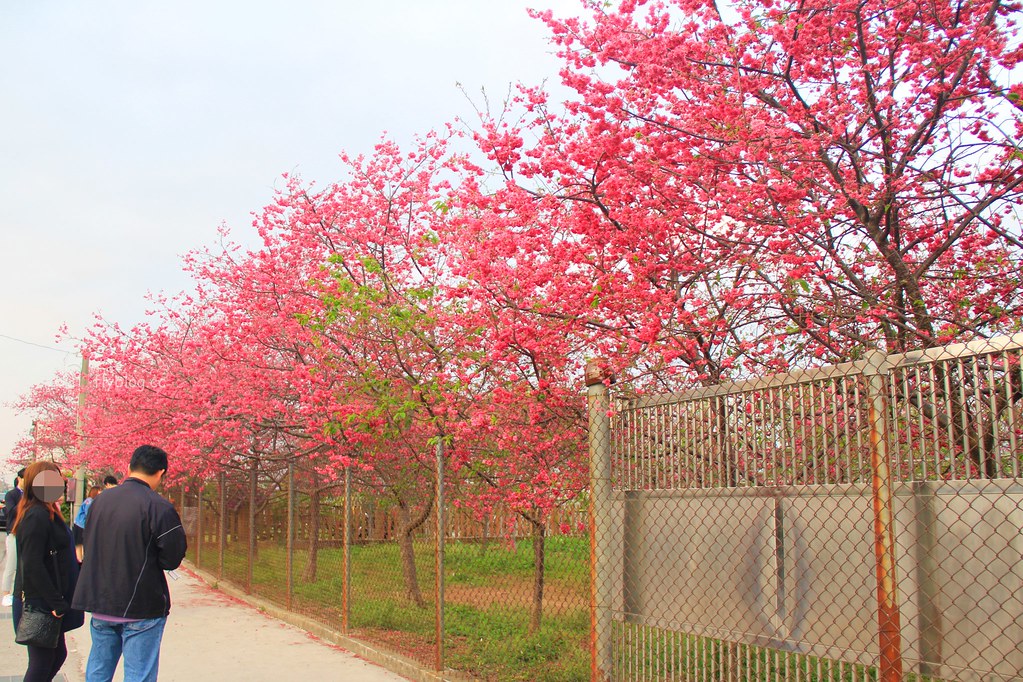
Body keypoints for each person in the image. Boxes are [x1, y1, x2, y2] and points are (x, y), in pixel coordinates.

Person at [73, 445, 187, 682]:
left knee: (98, 671)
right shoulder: (159, 506)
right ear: (160, 473)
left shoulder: (98, 503)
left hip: (101, 602)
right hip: (141, 606)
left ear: (129, 468)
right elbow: (172, 558)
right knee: (138, 675)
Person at [11, 461, 85, 682]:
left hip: (47, 600)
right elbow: (32, 564)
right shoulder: (36, 515)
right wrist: (56, 603)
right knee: (42, 662)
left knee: (56, 656)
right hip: (39, 602)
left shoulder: (47, 511)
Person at [2, 468, 27, 611]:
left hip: (27, 533)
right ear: (19, 479)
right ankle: (6, 593)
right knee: (11, 564)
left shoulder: (30, 494)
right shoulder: (12, 494)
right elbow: (11, 511)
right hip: (14, 532)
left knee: (23, 564)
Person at [72, 486, 102, 562]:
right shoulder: (90, 501)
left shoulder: (91, 501)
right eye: (99, 491)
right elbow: (88, 514)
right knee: (79, 544)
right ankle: (79, 560)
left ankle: (80, 559)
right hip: (80, 525)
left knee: (81, 544)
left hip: (82, 525)